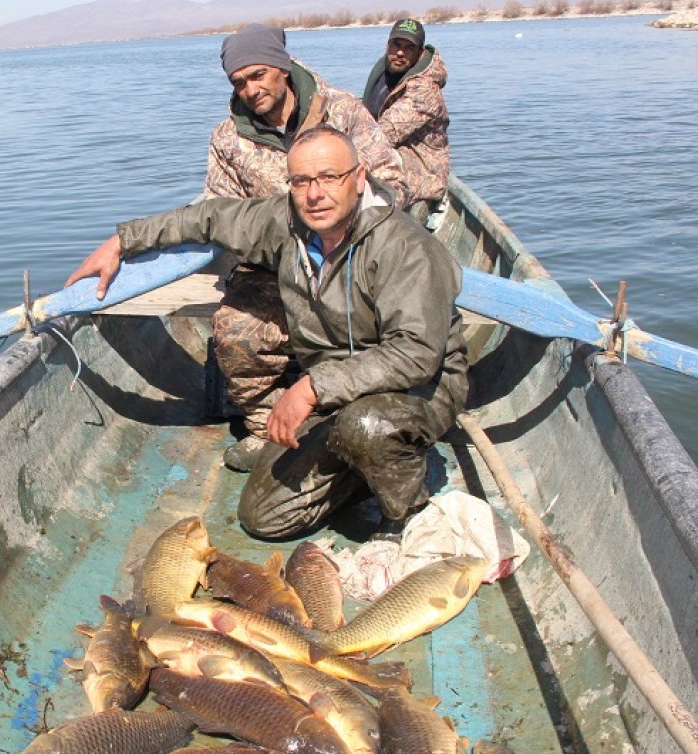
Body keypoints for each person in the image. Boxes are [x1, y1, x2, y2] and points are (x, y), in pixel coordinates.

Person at [66, 126, 468, 539]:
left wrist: (309, 389)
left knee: (367, 427)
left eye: (330, 177)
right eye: (301, 181)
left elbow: (416, 354)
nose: (314, 194)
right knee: (264, 519)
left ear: (359, 177)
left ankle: (407, 509)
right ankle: (367, 464)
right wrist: (123, 241)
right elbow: (209, 217)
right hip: (338, 394)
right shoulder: (286, 223)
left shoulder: (405, 247)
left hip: (422, 389)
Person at [203, 23, 407, 474]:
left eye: (258, 75)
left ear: (281, 67)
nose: (251, 89)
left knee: (380, 331)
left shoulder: (343, 111)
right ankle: (265, 427)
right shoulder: (226, 139)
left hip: (353, 257)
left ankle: (362, 420)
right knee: (234, 331)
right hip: (274, 267)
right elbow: (220, 213)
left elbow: (393, 181)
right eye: (239, 82)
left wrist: (344, 231)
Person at [363, 19, 450, 230]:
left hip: (422, 171)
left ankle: (420, 211)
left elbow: (384, 133)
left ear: (419, 53)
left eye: (408, 47)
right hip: (392, 156)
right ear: (388, 45)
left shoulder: (425, 91)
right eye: (396, 45)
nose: (400, 53)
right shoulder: (385, 76)